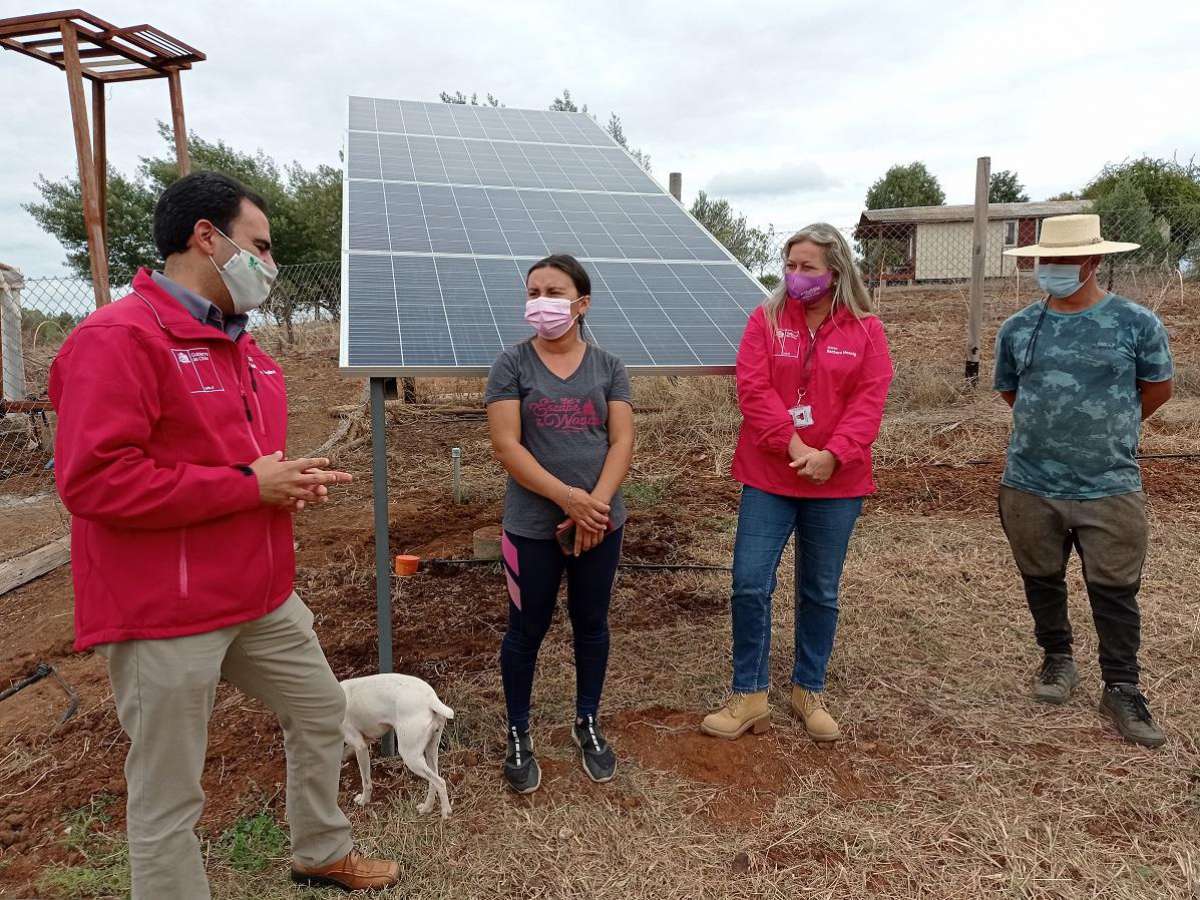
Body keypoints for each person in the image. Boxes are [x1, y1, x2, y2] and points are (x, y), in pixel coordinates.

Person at [49, 171, 400, 896]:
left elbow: (238, 467)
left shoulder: (246, 352)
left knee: (320, 707)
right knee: (168, 791)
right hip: (165, 611)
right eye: (260, 247)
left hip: (260, 595)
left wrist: (278, 490)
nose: (268, 266)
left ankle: (320, 851)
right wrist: (248, 487)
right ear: (206, 237)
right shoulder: (116, 340)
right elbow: (93, 481)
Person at [701, 224, 893, 743]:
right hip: (769, 476)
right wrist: (795, 447)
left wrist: (835, 455)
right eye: (790, 264)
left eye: (808, 267)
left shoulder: (866, 330)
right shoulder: (764, 321)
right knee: (749, 582)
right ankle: (750, 695)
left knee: (820, 590)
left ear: (836, 272)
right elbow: (754, 388)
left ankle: (809, 689)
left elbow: (869, 400)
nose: (796, 275)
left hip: (837, 482)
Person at [993, 213, 1173, 748]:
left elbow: (1157, 390)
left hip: (1109, 485)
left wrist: (1105, 431)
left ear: (1093, 261)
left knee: (1116, 590)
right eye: (1043, 261)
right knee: (1041, 576)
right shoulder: (1018, 328)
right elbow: (1011, 393)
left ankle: (1121, 686)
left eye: (1062, 261)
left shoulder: (1136, 324)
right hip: (1029, 483)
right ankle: (1057, 659)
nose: (1050, 270)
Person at [485, 254, 634, 793]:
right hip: (531, 527)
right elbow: (507, 446)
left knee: (591, 625)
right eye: (532, 292)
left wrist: (595, 506)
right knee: (526, 630)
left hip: (601, 523)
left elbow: (621, 441)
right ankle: (519, 730)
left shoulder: (610, 367)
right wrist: (570, 500)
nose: (540, 302)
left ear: (581, 304)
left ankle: (587, 720)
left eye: (552, 291)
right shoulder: (511, 365)